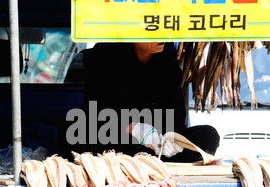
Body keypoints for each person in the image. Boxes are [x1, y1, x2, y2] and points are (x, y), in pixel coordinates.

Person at [60, 41, 219, 162]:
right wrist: (135, 129)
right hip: (113, 145)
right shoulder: (102, 61)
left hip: (156, 150)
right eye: (154, 31)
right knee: (72, 129)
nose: (162, 36)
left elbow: (176, 119)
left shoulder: (169, 70)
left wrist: (173, 139)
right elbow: (95, 114)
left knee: (208, 136)